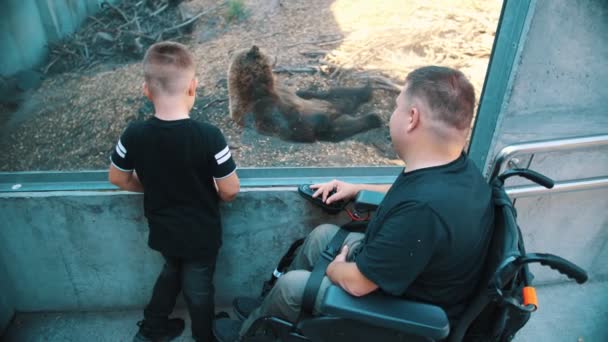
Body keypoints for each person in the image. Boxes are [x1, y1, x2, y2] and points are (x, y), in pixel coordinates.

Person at [212, 65, 494, 342]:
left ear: (412, 118)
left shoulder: (423, 212)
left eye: (397, 107)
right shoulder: (455, 170)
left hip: (408, 315)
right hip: (411, 276)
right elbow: (412, 195)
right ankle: (270, 311)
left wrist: (337, 268)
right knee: (322, 237)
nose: (392, 115)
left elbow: (358, 284)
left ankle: (252, 333)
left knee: (292, 287)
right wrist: (359, 188)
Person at [109, 41, 240, 342]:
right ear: (193, 87)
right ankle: (205, 335)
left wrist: (149, 186)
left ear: (146, 89)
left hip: (163, 230)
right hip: (200, 233)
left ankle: (153, 327)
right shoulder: (209, 136)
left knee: (172, 270)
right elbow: (230, 190)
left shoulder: (134, 134)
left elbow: (118, 177)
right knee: (198, 286)